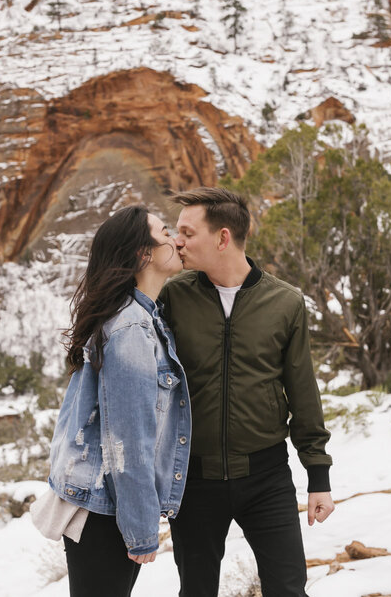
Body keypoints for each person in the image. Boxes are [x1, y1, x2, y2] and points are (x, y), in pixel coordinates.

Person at [159, 187, 335, 597]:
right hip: (194, 480)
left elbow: (303, 392)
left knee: (289, 589)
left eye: (187, 232)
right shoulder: (173, 296)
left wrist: (318, 477)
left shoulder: (285, 302)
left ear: (222, 238)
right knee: (196, 592)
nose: (177, 241)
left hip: (266, 478)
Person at [33, 205, 191, 597]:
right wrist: (141, 529)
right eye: (165, 231)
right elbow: (128, 439)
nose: (175, 239)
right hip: (104, 510)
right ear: (144, 253)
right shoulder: (132, 328)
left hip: (103, 504)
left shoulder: (141, 317)